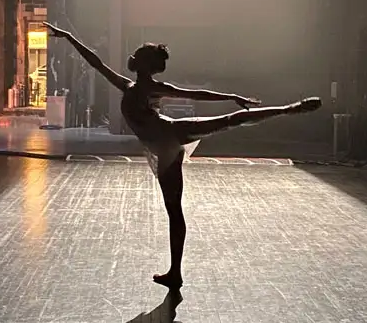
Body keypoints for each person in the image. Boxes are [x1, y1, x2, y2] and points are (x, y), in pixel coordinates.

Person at [44, 22, 321, 289]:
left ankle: (290, 108)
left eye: (137, 56)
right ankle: (174, 273)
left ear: (143, 64)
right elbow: (96, 63)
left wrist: (231, 96)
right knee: (175, 209)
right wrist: (68, 36)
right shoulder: (128, 85)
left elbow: (195, 93)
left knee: (228, 121)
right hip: (165, 145)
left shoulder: (152, 87)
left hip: (170, 136)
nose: (131, 57)